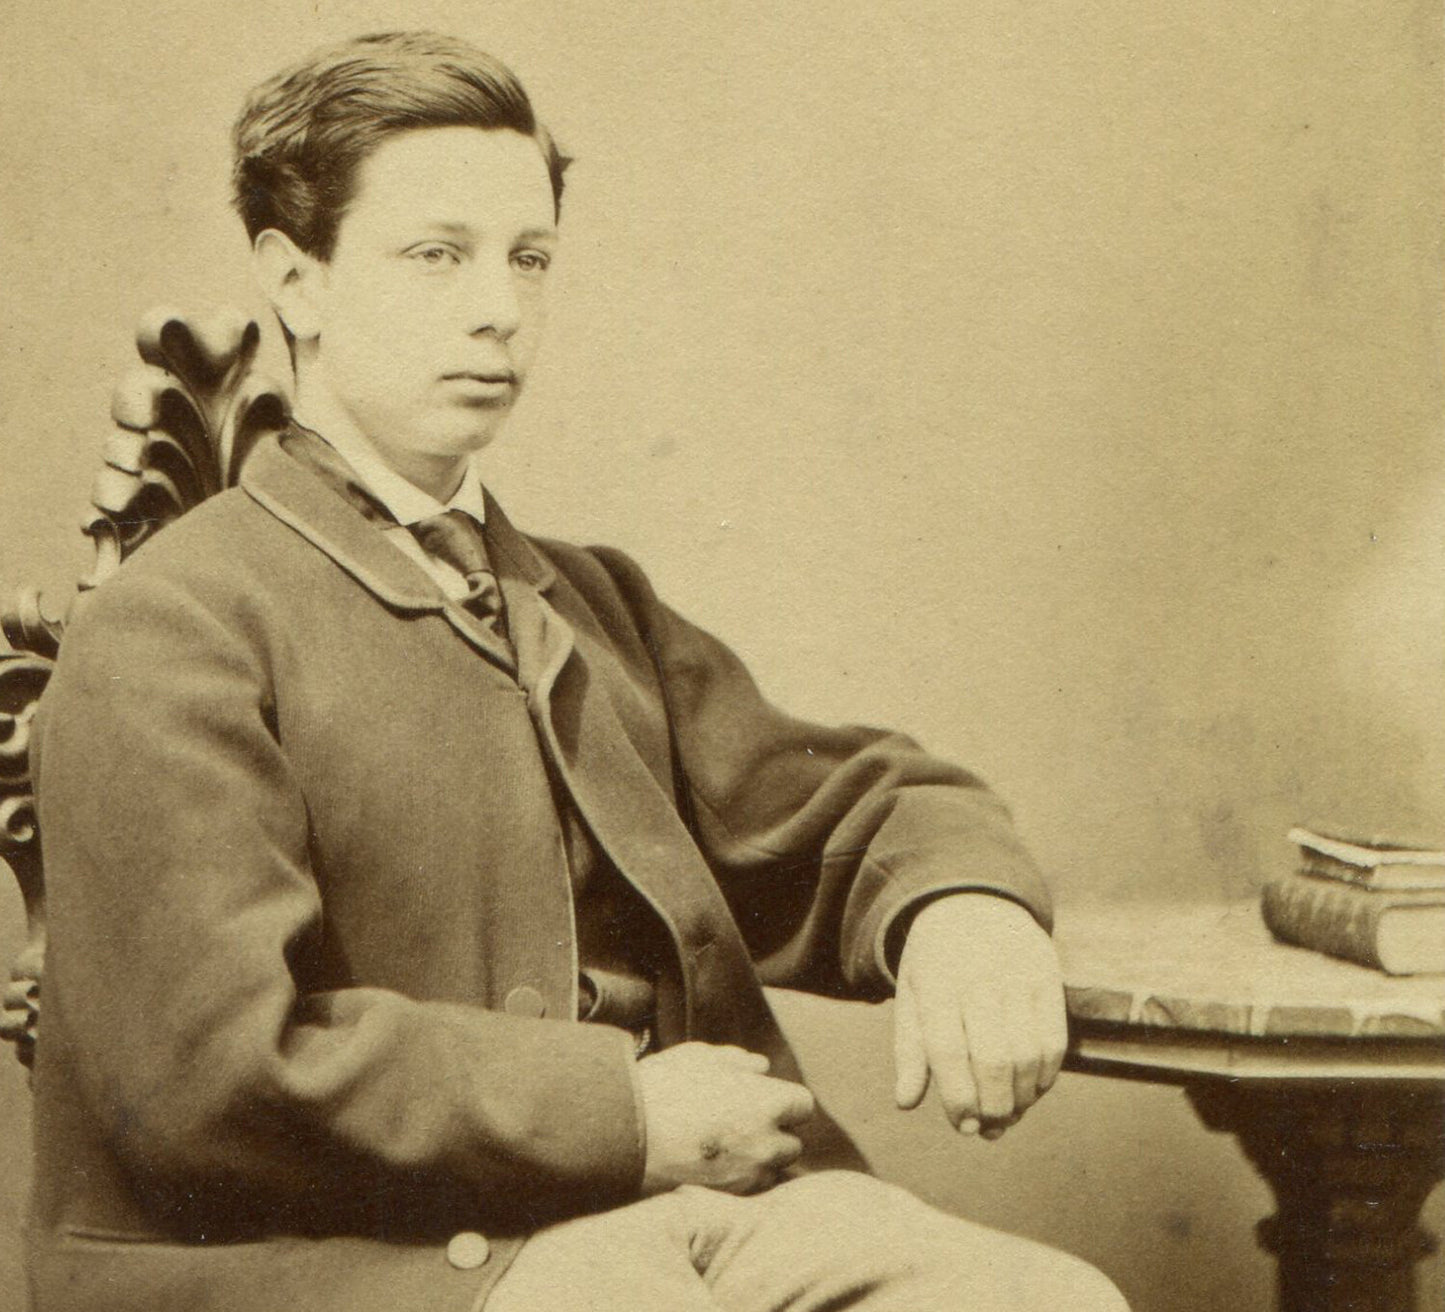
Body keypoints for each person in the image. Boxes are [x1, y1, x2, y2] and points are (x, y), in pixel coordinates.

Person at [28, 30, 1127, 1312]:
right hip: (349, 1264)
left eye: (528, 257)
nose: (498, 305)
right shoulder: (175, 629)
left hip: (680, 1215)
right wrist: (623, 1111)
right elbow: (208, 1072)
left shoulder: (588, 600)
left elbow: (857, 802)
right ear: (298, 280)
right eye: (437, 255)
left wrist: (962, 908)